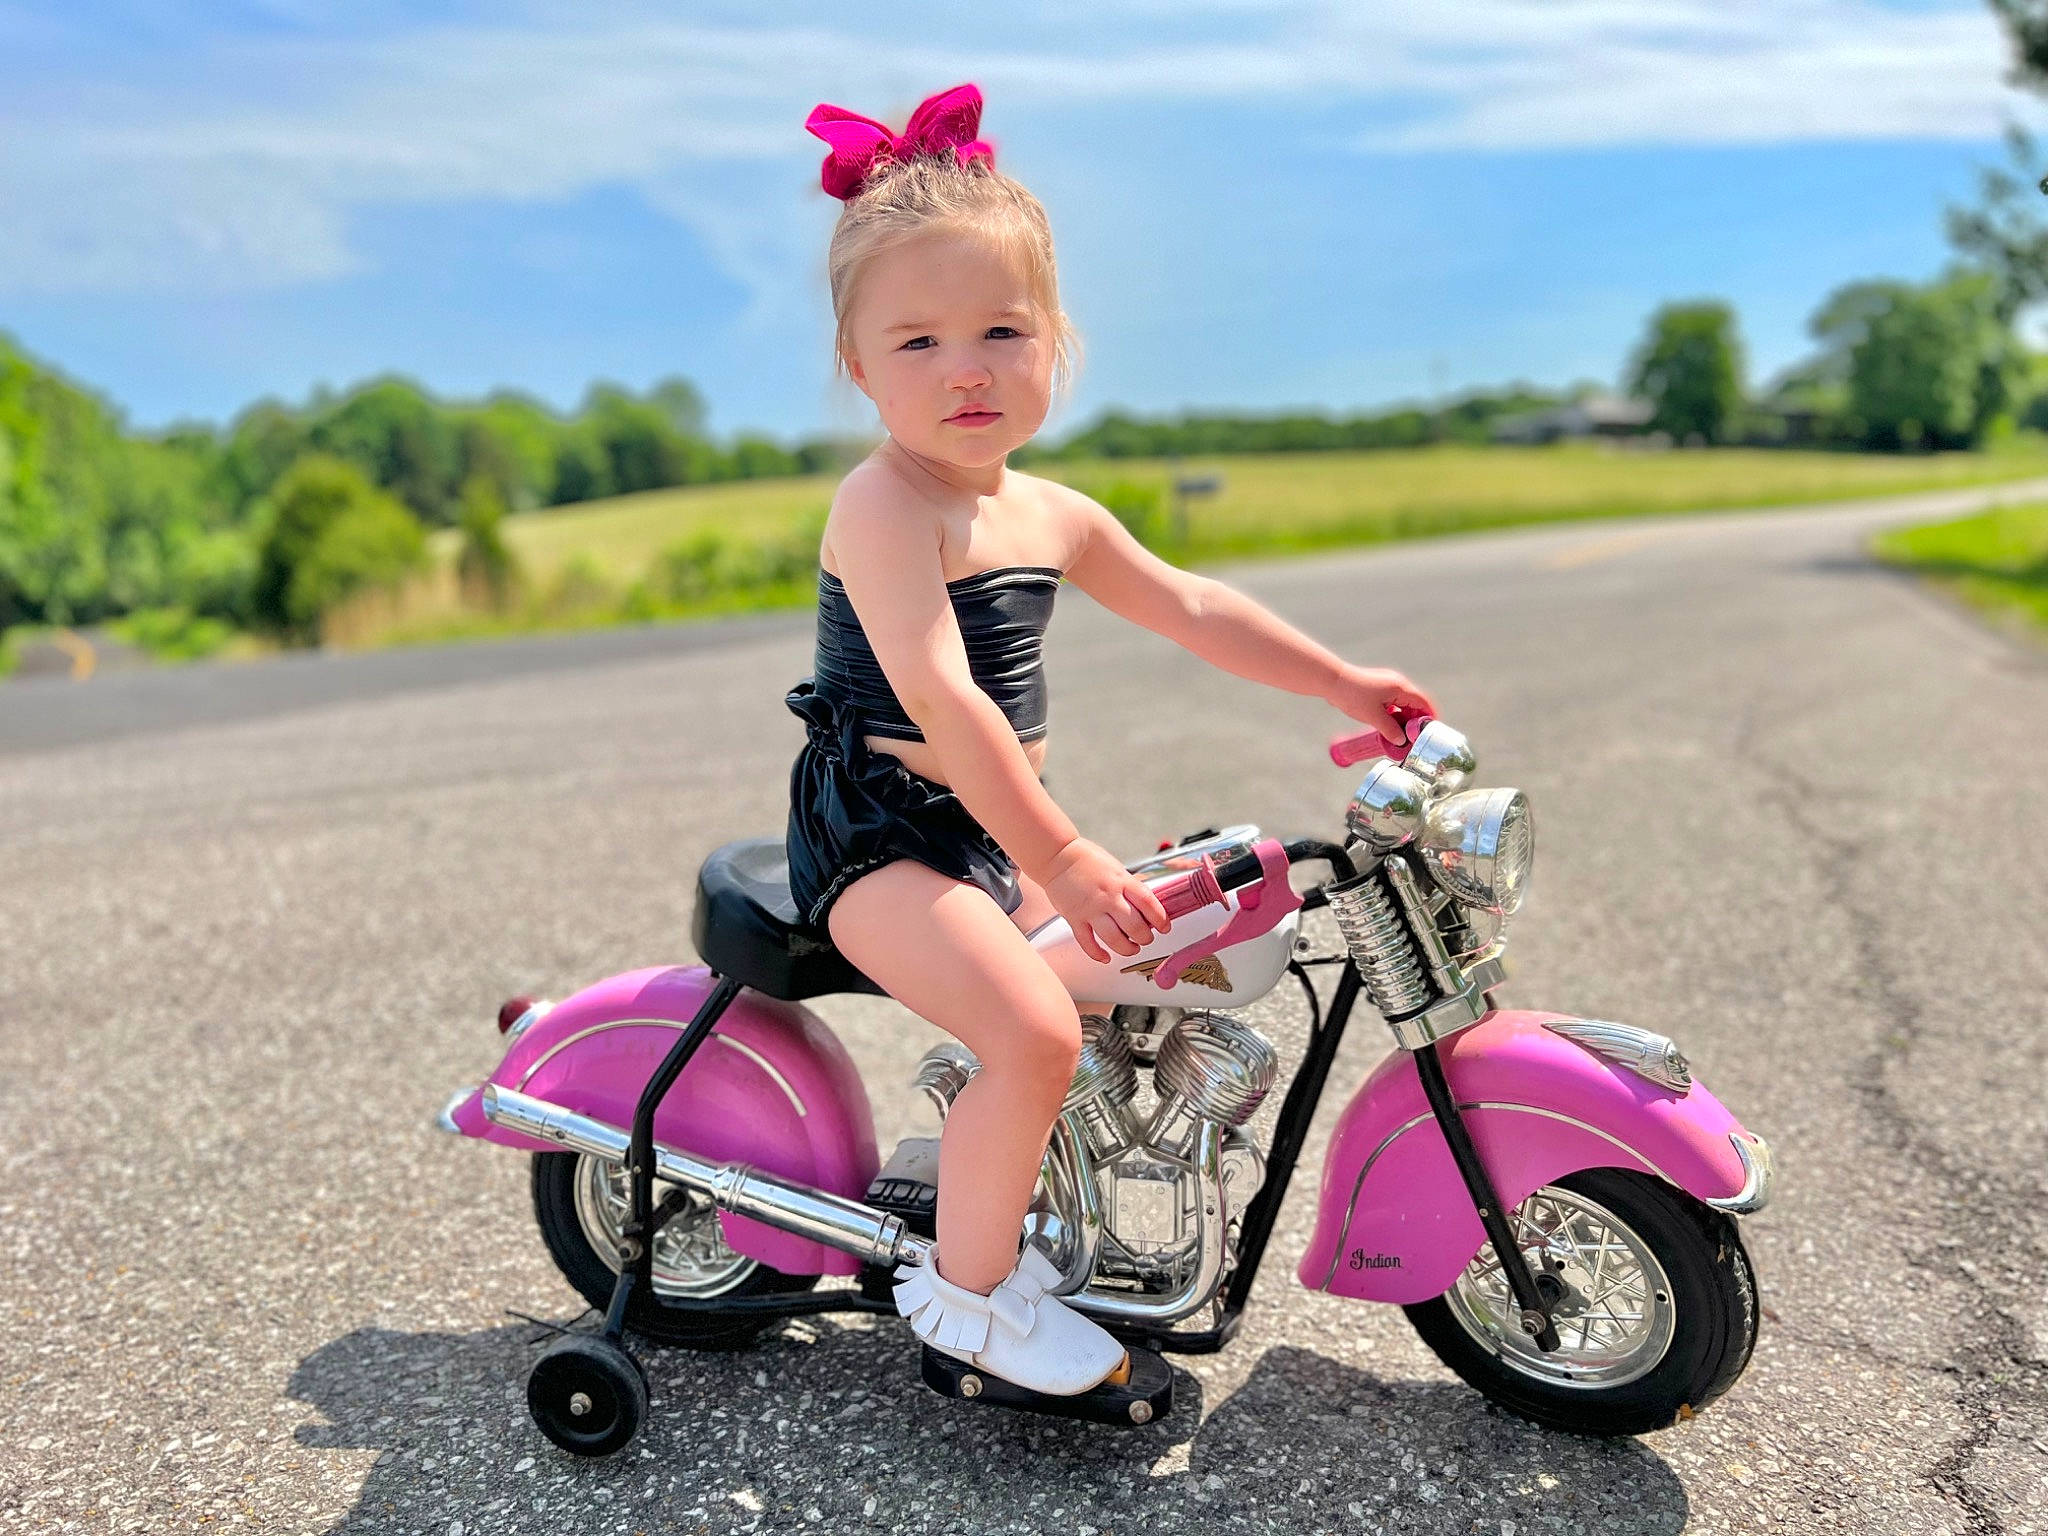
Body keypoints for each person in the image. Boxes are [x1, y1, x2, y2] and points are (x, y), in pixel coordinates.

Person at [785, 83, 1436, 1396]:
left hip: (981, 828)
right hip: (879, 839)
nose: (964, 367)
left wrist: (1343, 683)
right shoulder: (881, 505)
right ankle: (969, 1302)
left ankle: (1043, 1189)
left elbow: (1196, 608)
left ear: (1056, 345)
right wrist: (1070, 857)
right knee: (1033, 1026)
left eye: (1000, 330)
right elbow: (946, 702)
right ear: (857, 366)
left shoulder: (1051, 512)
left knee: (1164, 950)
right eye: (915, 343)